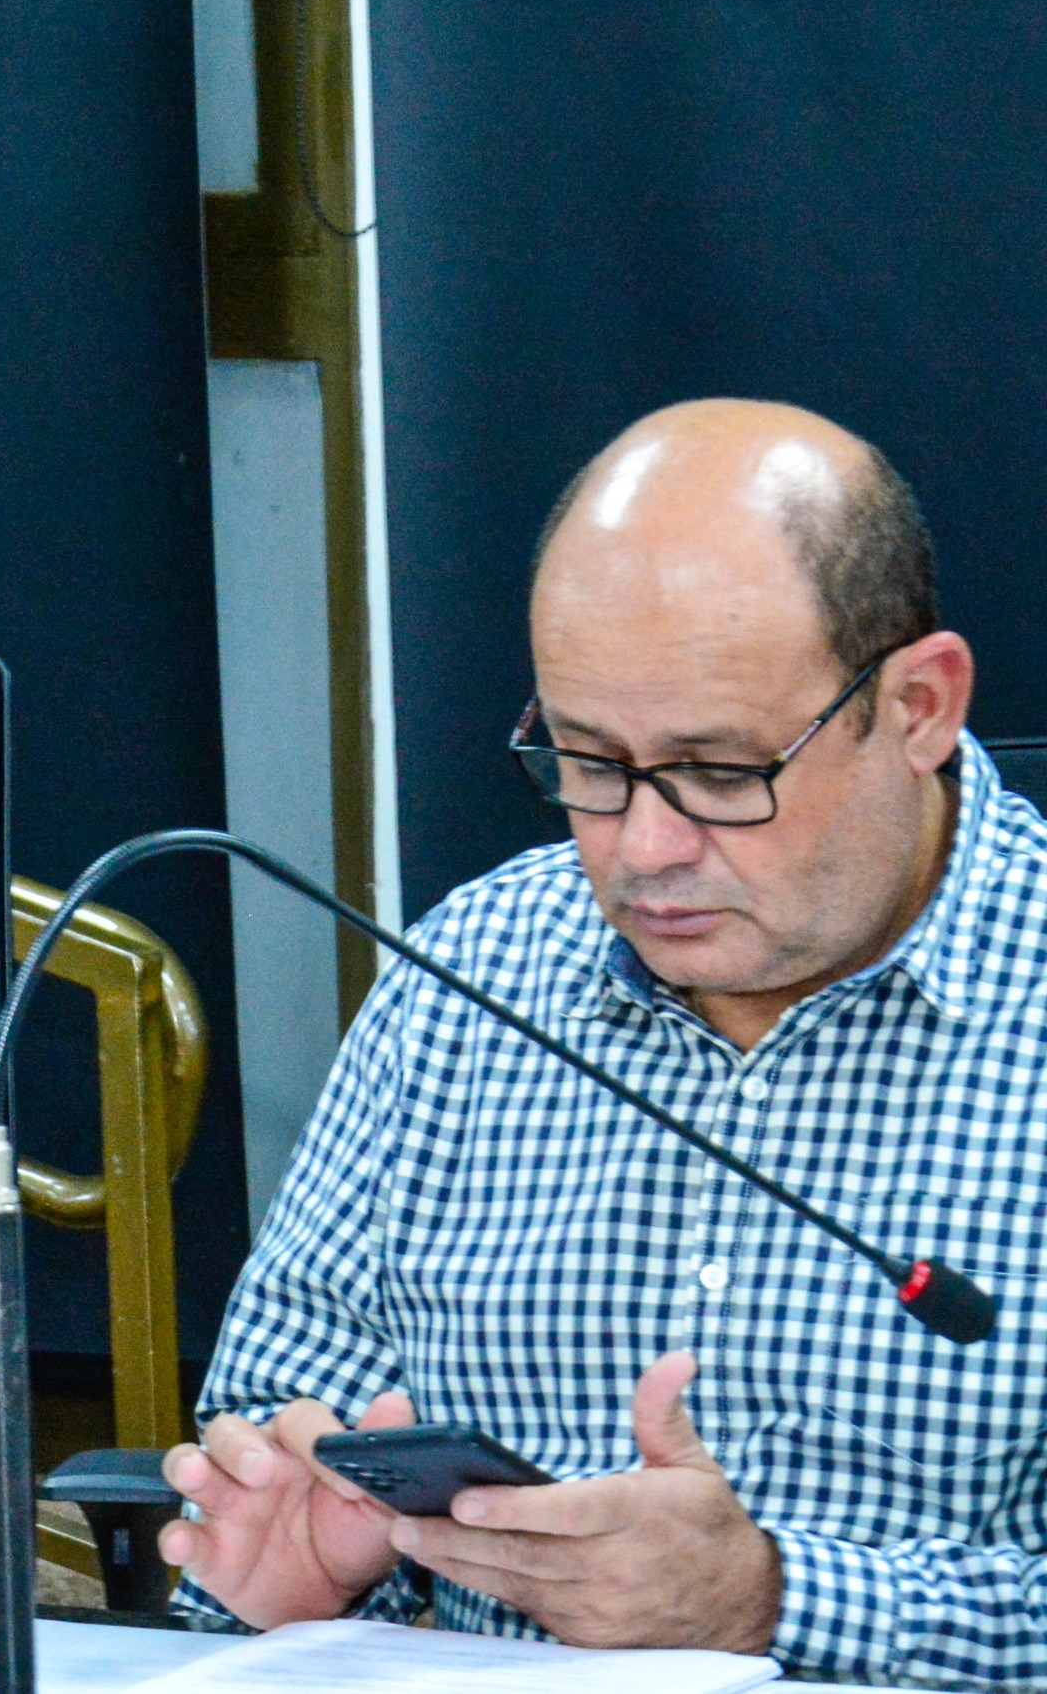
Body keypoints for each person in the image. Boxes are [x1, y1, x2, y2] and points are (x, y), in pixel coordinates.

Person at [165, 399, 1047, 1682]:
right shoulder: (469, 970)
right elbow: (277, 1429)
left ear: (917, 706)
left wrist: (773, 1601)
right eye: (586, 762)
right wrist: (300, 1584)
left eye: (721, 772)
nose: (643, 848)